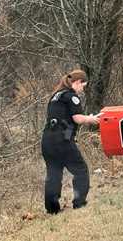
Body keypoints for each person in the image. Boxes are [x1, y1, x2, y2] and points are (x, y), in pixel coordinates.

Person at [41, 69, 100, 214]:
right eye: (83, 86)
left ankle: (52, 209)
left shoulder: (55, 96)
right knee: (81, 170)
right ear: (78, 82)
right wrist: (91, 119)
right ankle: (79, 203)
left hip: (47, 140)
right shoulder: (71, 96)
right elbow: (77, 118)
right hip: (62, 140)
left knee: (53, 174)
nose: (82, 90)